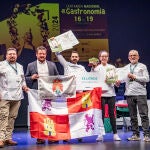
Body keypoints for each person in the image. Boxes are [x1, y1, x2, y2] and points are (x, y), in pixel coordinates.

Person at [25, 46, 59, 144]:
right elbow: (26, 78)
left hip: (50, 93)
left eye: (43, 54)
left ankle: (52, 135)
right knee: (39, 115)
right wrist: (31, 77)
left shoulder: (52, 65)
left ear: (46, 54)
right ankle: (40, 136)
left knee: (51, 114)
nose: (42, 55)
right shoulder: (31, 65)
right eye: (40, 54)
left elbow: (57, 77)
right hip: (37, 94)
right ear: (36, 54)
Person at [55, 50, 87, 142]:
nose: (74, 58)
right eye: (73, 56)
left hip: (79, 94)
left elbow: (88, 78)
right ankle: (66, 135)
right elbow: (58, 55)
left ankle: (79, 134)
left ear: (78, 58)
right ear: (70, 58)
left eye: (76, 56)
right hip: (69, 94)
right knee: (67, 115)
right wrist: (56, 47)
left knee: (79, 115)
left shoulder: (82, 68)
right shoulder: (66, 65)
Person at [0, 47, 28, 148]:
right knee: (3, 117)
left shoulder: (20, 66)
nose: (12, 56)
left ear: (16, 55)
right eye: (10, 54)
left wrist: (24, 86)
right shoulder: (1, 65)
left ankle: (8, 138)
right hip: (4, 95)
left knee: (12, 117)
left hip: (17, 96)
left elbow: (22, 79)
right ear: (6, 55)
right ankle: (1, 138)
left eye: (14, 54)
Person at [91, 50, 121, 142]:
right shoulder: (96, 68)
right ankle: (100, 135)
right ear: (99, 58)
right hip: (100, 95)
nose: (104, 58)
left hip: (111, 94)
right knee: (101, 115)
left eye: (106, 56)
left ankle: (115, 134)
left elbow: (117, 84)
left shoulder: (112, 67)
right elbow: (91, 80)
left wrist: (117, 83)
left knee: (112, 114)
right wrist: (92, 69)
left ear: (108, 58)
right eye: (102, 56)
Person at [123, 50, 150, 142]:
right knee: (132, 116)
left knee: (144, 115)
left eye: (134, 55)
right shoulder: (126, 67)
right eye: (131, 55)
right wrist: (117, 81)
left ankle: (146, 135)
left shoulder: (142, 66)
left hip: (140, 94)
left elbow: (147, 79)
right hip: (129, 94)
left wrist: (135, 77)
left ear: (138, 57)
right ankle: (135, 135)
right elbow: (123, 79)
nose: (133, 57)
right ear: (128, 57)